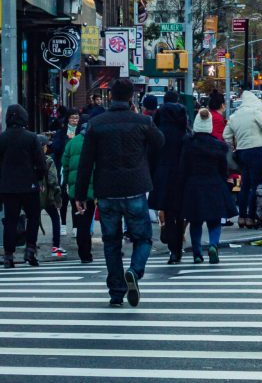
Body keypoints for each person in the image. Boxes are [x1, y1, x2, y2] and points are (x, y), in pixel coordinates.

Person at [75, 78, 164, 308]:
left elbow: (86, 162)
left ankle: (116, 292)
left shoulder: (97, 124)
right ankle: (134, 271)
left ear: (110, 96)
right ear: (131, 98)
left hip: (107, 191)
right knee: (142, 237)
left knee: (111, 241)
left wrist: (80, 195)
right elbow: (160, 142)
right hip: (135, 187)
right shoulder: (142, 122)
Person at [180, 107, 235, 264]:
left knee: (195, 221)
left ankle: (197, 253)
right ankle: (213, 245)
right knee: (215, 220)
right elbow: (224, 169)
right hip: (214, 184)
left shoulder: (188, 145)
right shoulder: (218, 146)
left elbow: (183, 168)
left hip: (193, 185)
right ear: (210, 125)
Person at [0, 105, 47, 268]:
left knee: (10, 221)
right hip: (29, 185)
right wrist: (40, 179)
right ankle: (30, 250)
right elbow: (41, 162)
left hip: (8, 187)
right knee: (33, 217)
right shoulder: (31, 137)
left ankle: (8, 255)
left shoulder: (2, 138)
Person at [223, 88, 262, 229]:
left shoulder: (235, 116)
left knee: (244, 186)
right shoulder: (255, 113)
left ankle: (242, 216)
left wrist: (235, 144)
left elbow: (226, 135)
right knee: (255, 186)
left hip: (241, 153)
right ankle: (251, 217)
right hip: (256, 151)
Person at [149, 90, 188, 264]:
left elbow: (151, 155)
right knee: (180, 213)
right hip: (181, 176)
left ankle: (173, 249)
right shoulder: (184, 130)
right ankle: (178, 246)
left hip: (162, 176)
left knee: (168, 214)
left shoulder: (158, 130)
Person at [62, 119, 95, 263]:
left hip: (76, 188)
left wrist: (68, 184)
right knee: (91, 220)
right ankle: (90, 252)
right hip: (93, 188)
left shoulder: (72, 143)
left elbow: (65, 166)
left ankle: (84, 254)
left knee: (82, 221)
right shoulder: (95, 143)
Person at [51, 109, 79, 236]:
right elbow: (55, 149)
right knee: (63, 198)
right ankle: (63, 224)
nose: (75, 120)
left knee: (75, 198)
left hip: (76, 169)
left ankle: (75, 226)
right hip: (63, 169)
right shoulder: (61, 133)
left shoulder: (80, 133)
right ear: (68, 119)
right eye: (72, 118)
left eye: (77, 118)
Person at [37, 135, 65, 259]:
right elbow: (53, 180)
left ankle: (30, 246)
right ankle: (56, 246)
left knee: (32, 221)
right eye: (46, 145)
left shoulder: (29, 160)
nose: (47, 148)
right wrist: (57, 194)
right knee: (55, 218)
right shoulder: (48, 160)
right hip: (48, 196)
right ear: (43, 147)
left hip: (33, 195)